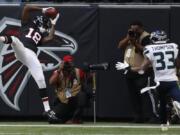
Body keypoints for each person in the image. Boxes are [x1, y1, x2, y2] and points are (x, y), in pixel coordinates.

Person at [0, 5, 60, 121]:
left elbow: (51, 37)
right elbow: (27, 7)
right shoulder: (27, 23)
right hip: (23, 50)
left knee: (41, 80)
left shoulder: (41, 35)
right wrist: (42, 9)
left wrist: (53, 24)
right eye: (45, 24)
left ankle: (47, 111)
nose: (45, 27)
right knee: (15, 40)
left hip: (31, 56)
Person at [130, 30, 180, 129]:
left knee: (162, 103)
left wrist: (129, 68)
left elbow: (143, 68)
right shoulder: (174, 46)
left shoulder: (149, 49)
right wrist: (177, 73)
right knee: (177, 97)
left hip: (159, 82)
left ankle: (163, 125)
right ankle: (177, 103)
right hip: (172, 80)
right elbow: (178, 64)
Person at [117, 21, 158, 123]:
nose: (134, 31)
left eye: (136, 29)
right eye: (132, 29)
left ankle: (152, 116)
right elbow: (120, 46)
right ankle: (138, 116)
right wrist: (128, 38)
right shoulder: (130, 36)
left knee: (146, 94)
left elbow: (146, 51)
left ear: (141, 28)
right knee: (133, 96)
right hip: (129, 70)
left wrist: (135, 42)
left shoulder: (146, 37)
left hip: (143, 70)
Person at [49, 55, 88, 124]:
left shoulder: (78, 71)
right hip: (64, 101)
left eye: (70, 63)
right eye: (66, 63)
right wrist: (59, 70)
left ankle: (75, 119)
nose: (68, 65)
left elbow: (85, 82)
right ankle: (64, 120)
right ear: (62, 63)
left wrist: (89, 72)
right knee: (51, 117)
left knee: (82, 95)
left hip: (74, 99)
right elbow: (51, 82)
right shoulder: (58, 72)